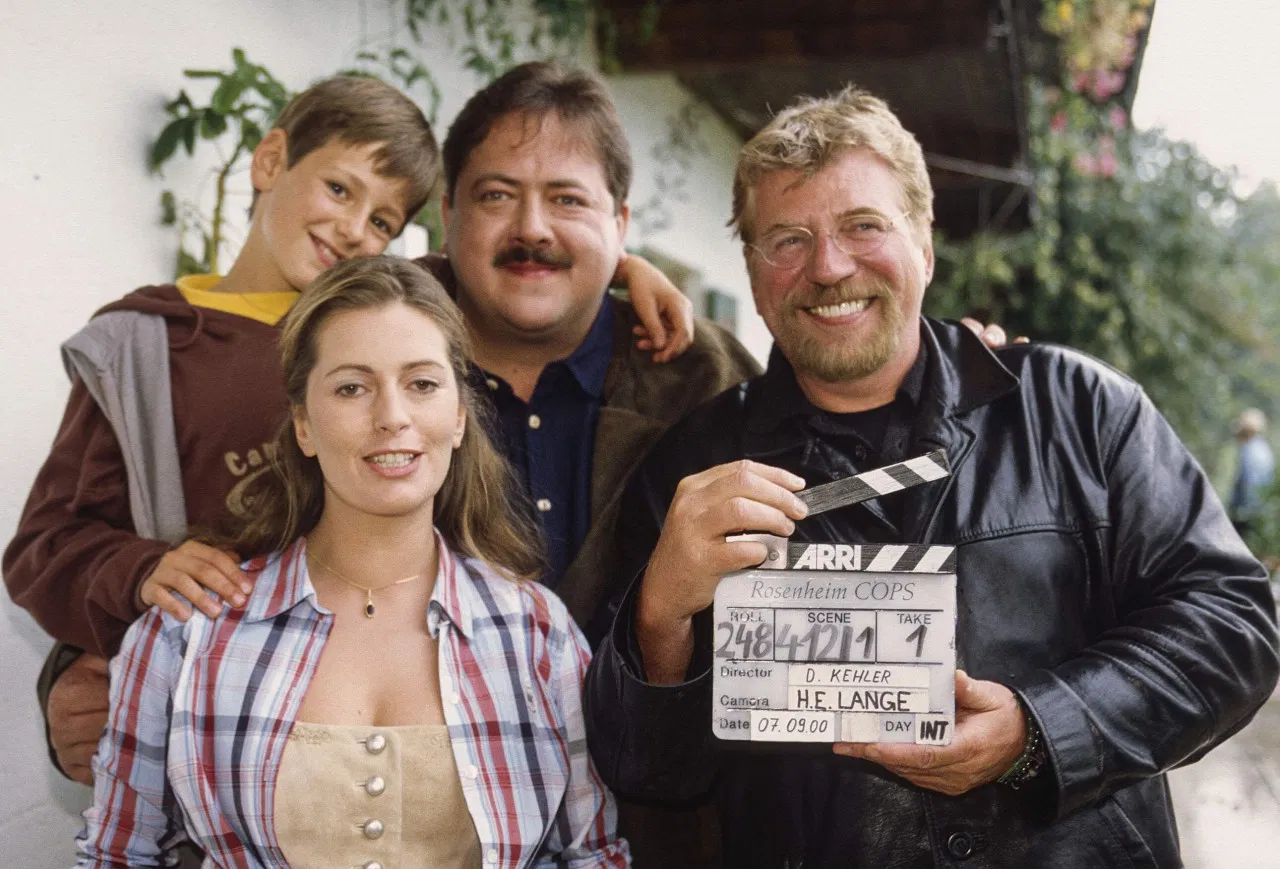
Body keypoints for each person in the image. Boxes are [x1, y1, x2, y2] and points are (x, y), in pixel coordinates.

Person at [584, 84, 1280, 868]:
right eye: (787, 239)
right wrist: (658, 617)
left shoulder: (1079, 407)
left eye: (863, 225)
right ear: (751, 268)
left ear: (923, 242)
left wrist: (1040, 730)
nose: (829, 266)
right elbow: (647, 772)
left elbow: (1234, 626)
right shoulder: (691, 468)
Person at [4, 74, 692, 788]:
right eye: (338, 190)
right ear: (271, 161)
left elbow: (519, 267)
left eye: (383, 223)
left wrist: (621, 266)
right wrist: (140, 578)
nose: (354, 230)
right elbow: (51, 541)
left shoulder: (388, 320)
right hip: (217, 719)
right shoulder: (146, 348)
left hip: (390, 720)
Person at [74, 255, 628, 868]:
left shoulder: (537, 633)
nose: (392, 417)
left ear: (459, 418)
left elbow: (593, 856)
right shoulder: (190, 630)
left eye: (422, 384)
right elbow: (117, 856)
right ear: (304, 427)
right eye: (351, 388)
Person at [1229, 407, 1275, 534]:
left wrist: (1237, 513)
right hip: (1260, 513)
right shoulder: (1264, 448)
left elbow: (1247, 485)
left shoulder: (1249, 450)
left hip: (1246, 514)